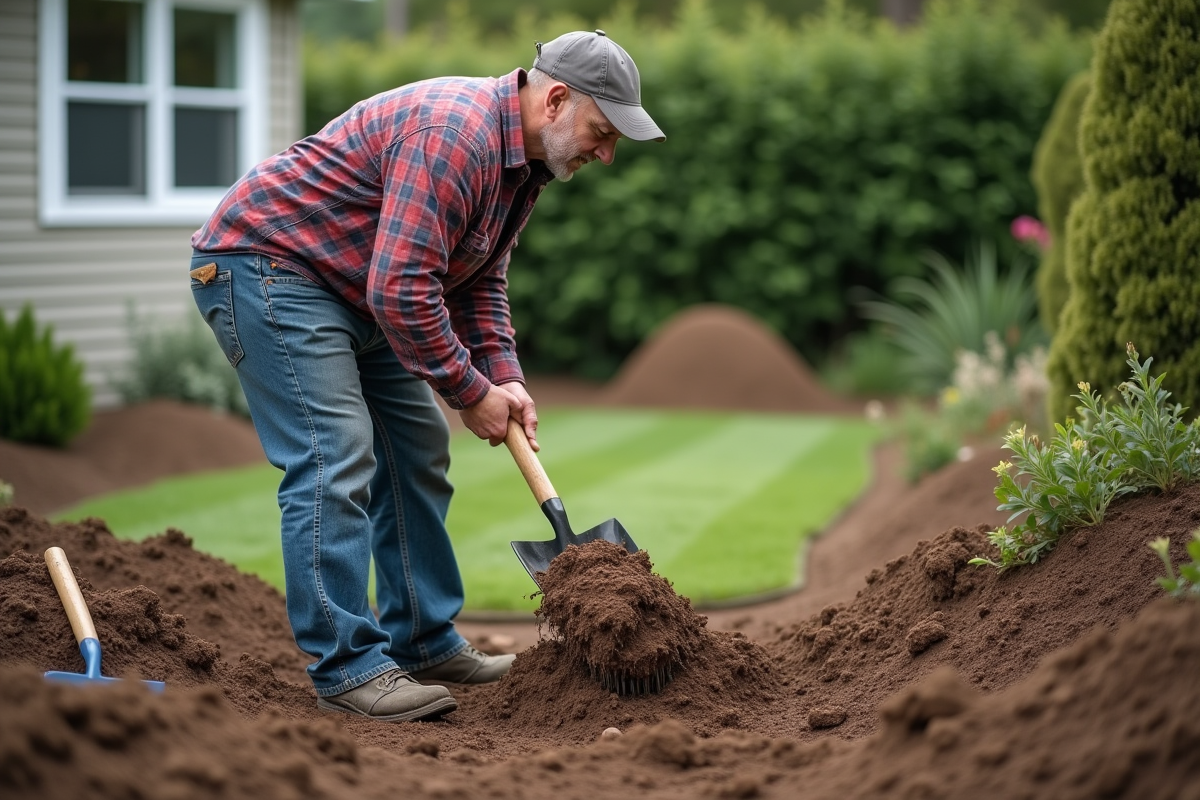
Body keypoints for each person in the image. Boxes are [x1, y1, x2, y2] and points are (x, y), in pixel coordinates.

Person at [188, 30, 665, 722]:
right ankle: (347, 666)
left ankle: (423, 641)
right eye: (603, 131)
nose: (607, 153)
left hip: (356, 288)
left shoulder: (521, 168)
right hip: (269, 267)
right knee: (334, 452)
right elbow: (402, 289)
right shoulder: (456, 136)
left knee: (417, 445)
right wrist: (469, 392)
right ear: (557, 99)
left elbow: (478, 282)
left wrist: (504, 377)